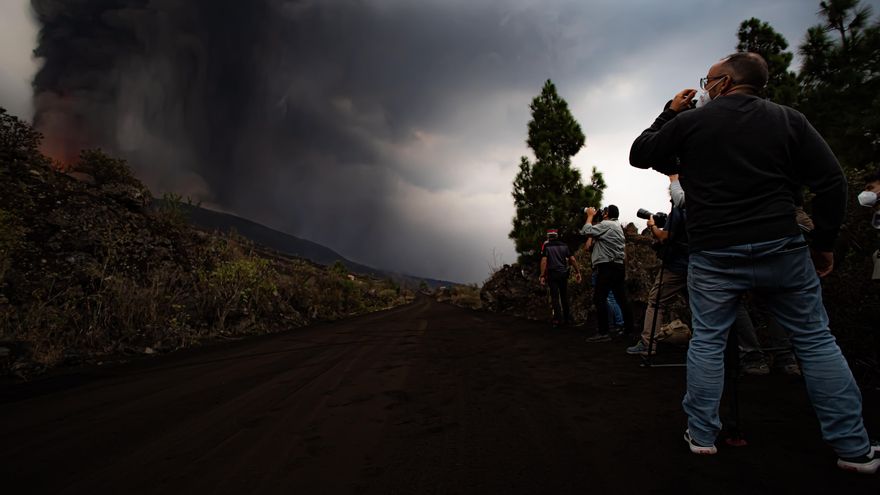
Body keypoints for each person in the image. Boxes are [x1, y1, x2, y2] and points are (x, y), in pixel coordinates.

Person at [629, 52, 877, 473]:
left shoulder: (691, 123)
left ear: (724, 83)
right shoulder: (789, 119)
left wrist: (669, 113)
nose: (703, 88)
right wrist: (824, 242)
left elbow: (642, 153)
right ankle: (853, 449)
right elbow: (832, 181)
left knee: (708, 341)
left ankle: (703, 436)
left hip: (714, 252)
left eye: (707, 81)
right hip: (781, 246)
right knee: (816, 341)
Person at [627, 174, 689, 355]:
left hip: (676, 266)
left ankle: (648, 345)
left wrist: (653, 226)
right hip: (697, 265)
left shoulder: (677, 211)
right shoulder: (699, 209)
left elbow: (664, 237)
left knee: (655, 303)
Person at [580, 205, 635, 342]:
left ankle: (604, 332)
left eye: (604, 211)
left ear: (607, 214)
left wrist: (590, 216)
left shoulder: (607, 224)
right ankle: (629, 330)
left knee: (599, 298)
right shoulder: (616, 226)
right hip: (617, 266)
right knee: (621, 298)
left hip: (607, 267)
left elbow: (586, 230)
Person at [539, 229, 582, 327]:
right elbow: (572, 259)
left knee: (555, 297)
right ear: (557, 236)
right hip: (563, 274)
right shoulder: (564, 245)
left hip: (552, 274)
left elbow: (544, 261)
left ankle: (558, 320)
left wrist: (542, 275)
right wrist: (577, 272)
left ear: (548, 237)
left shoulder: (547, 246)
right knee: (564, 296)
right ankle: (567, 319)